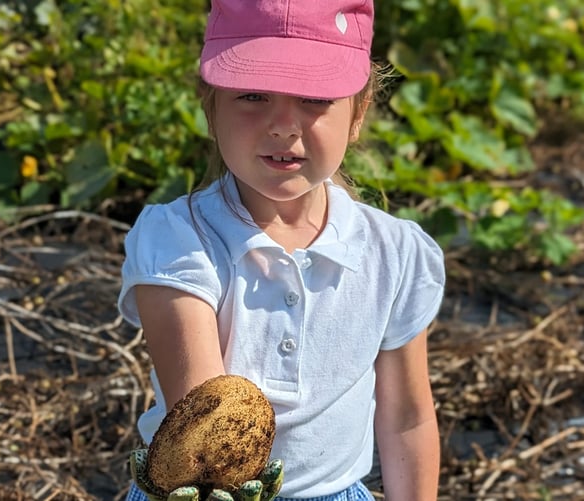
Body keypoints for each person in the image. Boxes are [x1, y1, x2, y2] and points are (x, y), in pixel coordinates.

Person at [118, 0, 445, 500]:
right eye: (252, 95)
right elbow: (207, 427)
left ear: (357, 115)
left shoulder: (394, 252)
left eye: (315, 100)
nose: (283, 126)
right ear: (211, 107)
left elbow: (406, 417)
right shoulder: (180, 240)